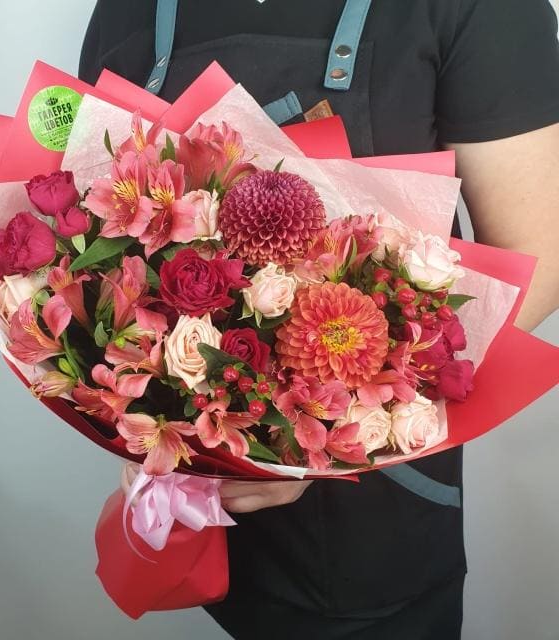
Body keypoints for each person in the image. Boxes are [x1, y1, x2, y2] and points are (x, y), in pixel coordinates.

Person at [80, 1, 559, 638]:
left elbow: (540, 257)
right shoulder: (127, 8)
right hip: (196, 511)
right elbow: (97, 230)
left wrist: (314, 439)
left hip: (368, 519)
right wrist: (140, 411)